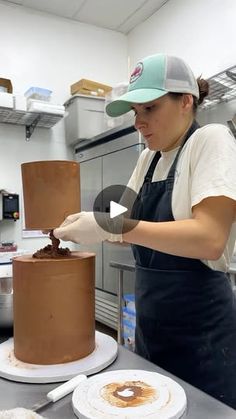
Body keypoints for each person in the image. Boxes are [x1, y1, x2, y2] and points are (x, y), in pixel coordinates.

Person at [54, 54, 236, 409]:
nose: (140, 122)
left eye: (150, 108)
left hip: (204, 336)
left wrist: (117, 229)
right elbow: (123, 213)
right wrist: (92, 219)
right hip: (153, 329)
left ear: (186, 102)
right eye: (136, 113)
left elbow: (210, 239)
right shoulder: (148, 158)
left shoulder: (211, 140)